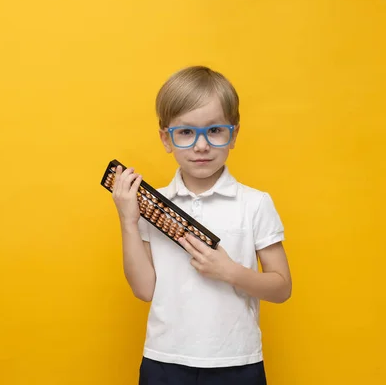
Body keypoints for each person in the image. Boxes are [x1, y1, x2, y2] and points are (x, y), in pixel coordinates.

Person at [111, 65, 292, 385]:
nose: (201, 145)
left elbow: (282, 288)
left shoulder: (255, 203)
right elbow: (144, 289)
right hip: (165, 359)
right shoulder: (155, 207)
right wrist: (128, 220)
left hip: (237, 360)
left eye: (214, 130)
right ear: (166, 139)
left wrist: (230, 272)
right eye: (185, 132)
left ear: (233, 134)